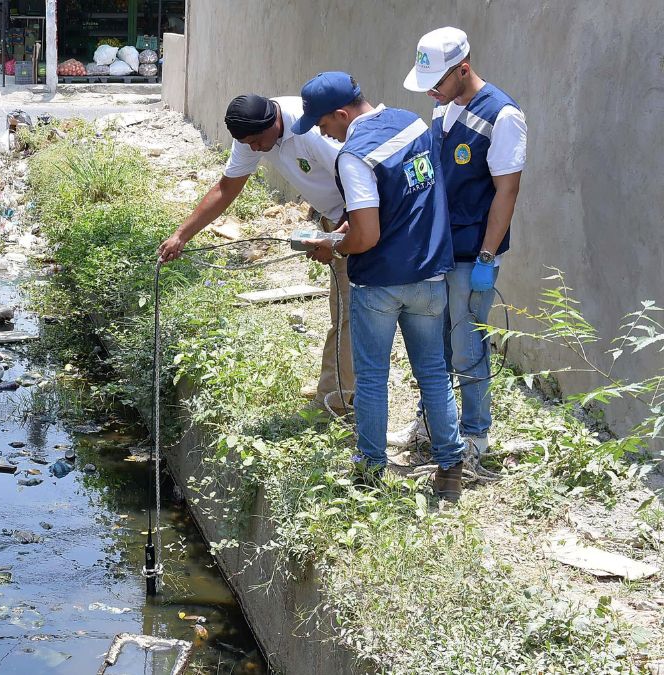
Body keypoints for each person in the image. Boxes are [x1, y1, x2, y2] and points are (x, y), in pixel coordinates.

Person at [295, 71, 465, 499]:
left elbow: (366, 237)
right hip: (429, 275)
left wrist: (333, 244)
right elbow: (403, 200)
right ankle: (450, 467)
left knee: (372, 378)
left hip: (380, 285)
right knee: (433, 373)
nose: (322, 132)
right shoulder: (414, 123)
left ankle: (370, 471)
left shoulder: (353, 156)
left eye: (323, 124)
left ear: (340, 114)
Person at [158, 94, 355, 415]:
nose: (253, 149)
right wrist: (181, 235)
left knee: (351, 316)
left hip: (359, 216)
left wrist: (340, 236)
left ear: (274, 122)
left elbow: (362, 179)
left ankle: (339, 402)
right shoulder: (253, 134)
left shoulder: (311, 128)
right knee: (344, 313)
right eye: (246, 144)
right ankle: (335, 390)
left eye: (256, 142)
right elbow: (227, 187)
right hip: (337, 218)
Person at [386, 27, 527, 465]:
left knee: (467, 347)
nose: (431, 91)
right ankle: (431, 423)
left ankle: (475, 436)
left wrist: (486, 257)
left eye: (438, 82)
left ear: (463, 69)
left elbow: (506, 192)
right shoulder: (443, 109)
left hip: (472, 255)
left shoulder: (503, 116)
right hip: (438, 251)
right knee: (433, 345)